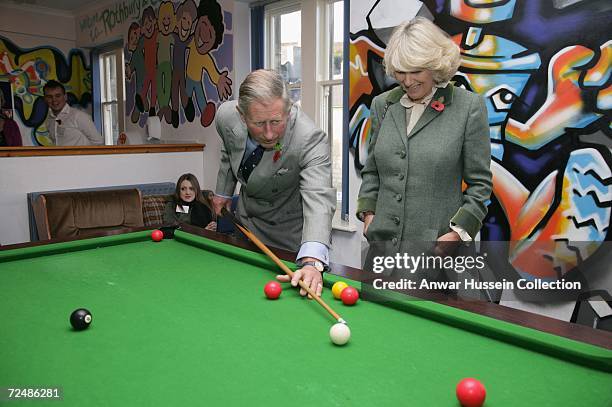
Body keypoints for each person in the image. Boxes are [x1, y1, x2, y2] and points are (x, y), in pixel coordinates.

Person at [357, 18, 492, 253]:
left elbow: (480, 183)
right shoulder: (383, 105)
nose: (407, 81)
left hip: (437, 254)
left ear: (435, 65)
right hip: (382, 252)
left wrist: (459, 233)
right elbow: (372, 170)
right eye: (400, 72)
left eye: (416, 71)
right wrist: (369, 215)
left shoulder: (468, 107)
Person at [212, 69, 336, 297]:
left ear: (288, 110)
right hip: (244, 224)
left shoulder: (309, 139)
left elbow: (319, 197)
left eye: (276, 121)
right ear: (242, 114)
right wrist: (224, 192)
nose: (269, 134)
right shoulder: (226, 116)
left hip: (286, 236)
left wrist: (312, 261)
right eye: (259, 123)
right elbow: (229, 149)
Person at [43, 80, 103, 146]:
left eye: (58, 96)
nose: (54, 100)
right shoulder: (49, 118)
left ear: (65, 97)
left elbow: (99, 142)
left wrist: (82, 155)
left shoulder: (79, 116)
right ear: (45, 99)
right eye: (49, 97)